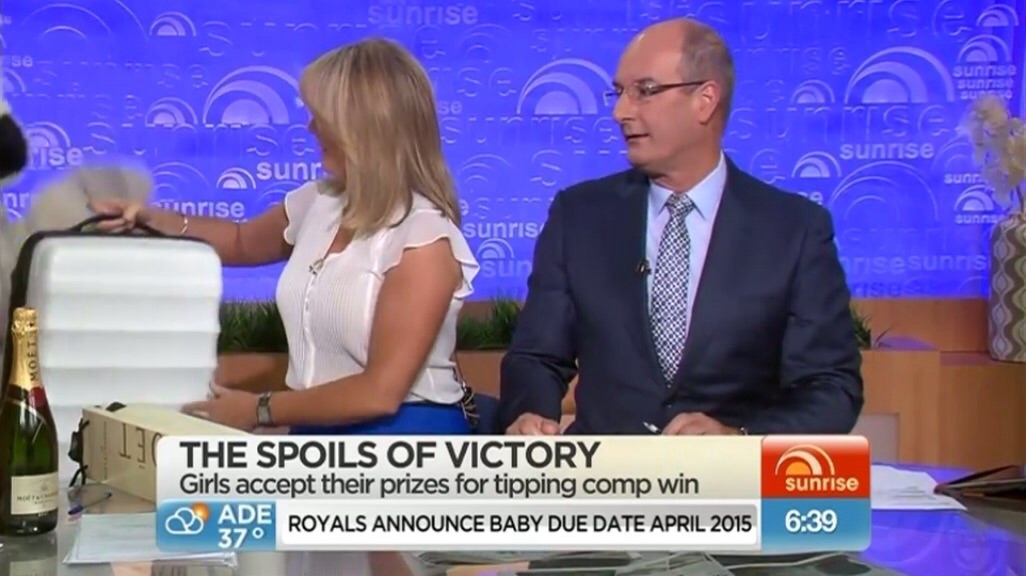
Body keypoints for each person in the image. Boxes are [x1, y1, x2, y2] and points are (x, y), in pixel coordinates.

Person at [89, 38, 481, 435]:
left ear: (361, 127)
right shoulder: (319, 202)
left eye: (321, 116)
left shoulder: (424, 240)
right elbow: (241, 241)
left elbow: (380, 392)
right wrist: (157, 220)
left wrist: (259, 409)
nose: (311, 127)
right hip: (315, 431)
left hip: (406, 442)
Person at [499, 18, 863, 436]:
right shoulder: (579, 216)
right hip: (607, 473)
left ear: (705, 100)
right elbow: (536, 357)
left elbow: (830, 387)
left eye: (645, 90)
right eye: (619, 92)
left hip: (731, 476)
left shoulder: (794, 230)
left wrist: (738, 438)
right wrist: (530, 415)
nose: (620, 112)